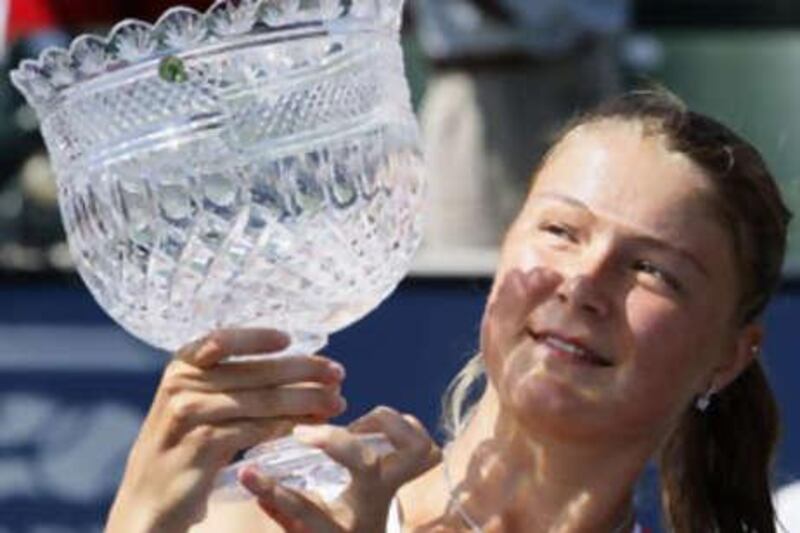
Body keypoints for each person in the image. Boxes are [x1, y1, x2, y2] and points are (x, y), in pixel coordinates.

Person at [107, 89, 792, 532]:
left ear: (728, 356)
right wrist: (142, 509)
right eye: (560, 230)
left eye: (653, 270)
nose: (585, 281)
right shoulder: (265, 511)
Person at [415, 0, 629, 249]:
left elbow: (528, 14)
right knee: (462, 254)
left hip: (553, 76)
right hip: (464, 90)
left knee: (575, 249)